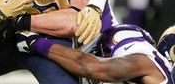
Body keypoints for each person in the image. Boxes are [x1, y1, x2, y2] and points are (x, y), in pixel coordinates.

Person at [17, 24, 173, 83]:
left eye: (105, 52)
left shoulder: (144, 63)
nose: (103, 54)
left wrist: (36, 43)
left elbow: (96, 68)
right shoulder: (147, 62)